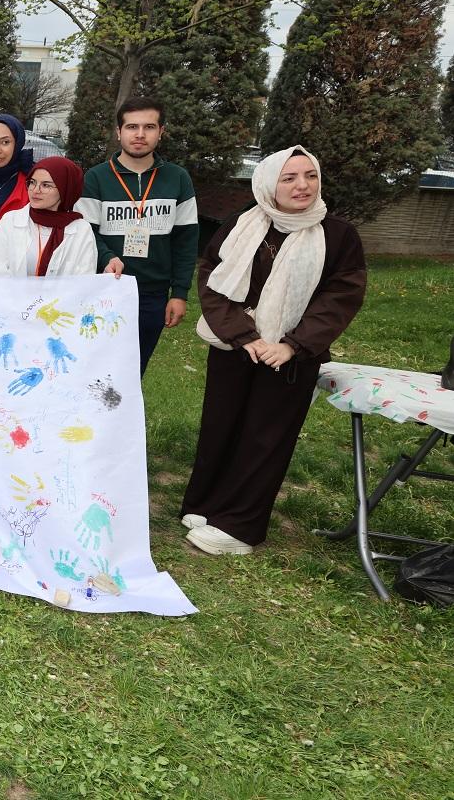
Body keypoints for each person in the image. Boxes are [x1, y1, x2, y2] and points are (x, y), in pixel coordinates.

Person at [181, 146, 366, 555]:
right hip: (236, 345)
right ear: (268, 184)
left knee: (265, 438)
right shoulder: (242, 224)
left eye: (310, 176)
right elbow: (212, 278)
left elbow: (340, 297)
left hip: (291, 356)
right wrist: (244, 336)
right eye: (289, 177)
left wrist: (292, 345)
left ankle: (240, 527)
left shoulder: (337, 235)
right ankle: (205, 504)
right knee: (220, 426)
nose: (303, 185)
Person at [76, 96, 199, 374]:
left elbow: (186, 241)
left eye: (149, 127)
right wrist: (106, 257)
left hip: (152, 294)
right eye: (132, 127)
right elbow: (85, 232)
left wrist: (179, 293)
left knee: (133, 372)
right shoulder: (96, 178)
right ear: (119, 131)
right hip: (106, 289)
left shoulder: (178, 178)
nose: (140, 134)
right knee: (94, 369)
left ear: (161, 132)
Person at [0, 157, 97, 277]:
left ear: (65, 189)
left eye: (46, 185)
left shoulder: (82, 230)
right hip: (10, 290)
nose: (35, 190)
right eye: (32, 182)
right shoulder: (10, 221)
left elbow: (83, 279)